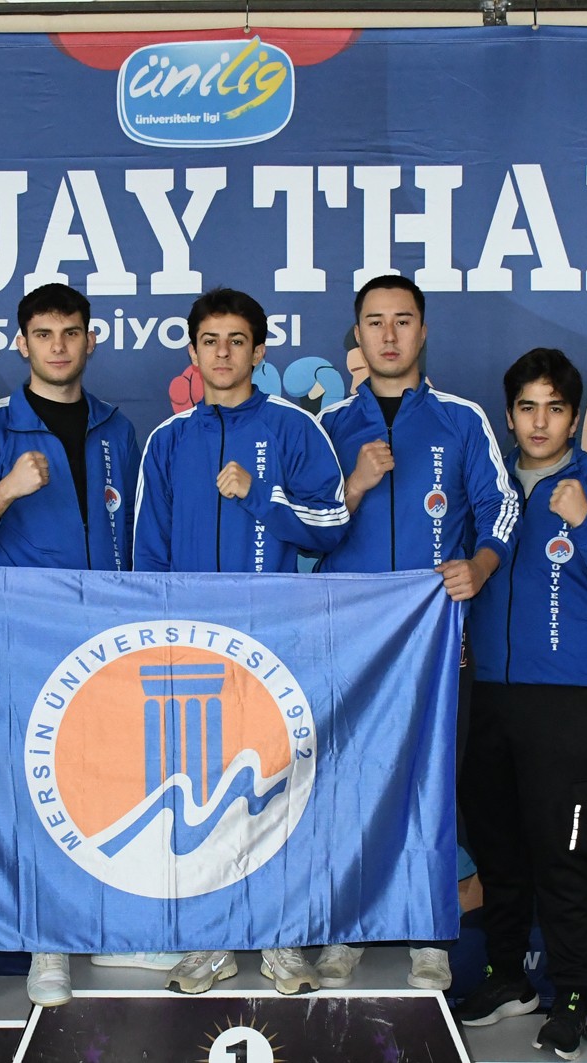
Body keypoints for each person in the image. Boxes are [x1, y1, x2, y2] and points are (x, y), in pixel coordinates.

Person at [0, 283, 169, 1006]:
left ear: (90, 340)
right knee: (43, 791)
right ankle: (50, 944)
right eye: (44, 333)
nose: (59, 345)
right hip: (28, 639)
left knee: (114, 787)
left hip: (108, 635)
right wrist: (5, 490)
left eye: (71, 332)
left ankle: (113, 929)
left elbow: (139, 535)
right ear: (22, 344)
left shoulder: (119, 429)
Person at [133, 288, 349, 995]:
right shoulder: (168, 441)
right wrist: (160, 645)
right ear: (193, 353)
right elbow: (148, 557)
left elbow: (331, 524)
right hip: (194, 653)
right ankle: (210, 941)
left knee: (277, 792)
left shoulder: (293, 427)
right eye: (210, 341)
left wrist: (259, 494)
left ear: (260, 350)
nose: (223, 353)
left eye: (236, 340)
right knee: (198, 796)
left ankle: (283, 941)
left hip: (274, 646)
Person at [314, 275, 521, 994]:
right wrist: (353, 486)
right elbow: (304, 529)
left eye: (403, 320)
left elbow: (502, 507)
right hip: (350, 641)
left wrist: (480, 566)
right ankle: (344, 930)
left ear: (423, 331)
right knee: (348, 781)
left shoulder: (462, 419)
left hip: (437, 639)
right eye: (375, 322)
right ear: (358, 336)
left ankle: (430, 932)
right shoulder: (328, 426)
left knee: (436, 784)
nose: (390, 335)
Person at [455, 349, 587, 1059]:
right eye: (527, 408)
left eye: (555, 408)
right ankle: (508, 977)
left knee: (562, 856)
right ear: (509, 416)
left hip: (566, 700)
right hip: (487, 694)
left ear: (575, 416)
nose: (540, 423)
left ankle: (572, 993)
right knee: (499, 851)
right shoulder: (489, 483)